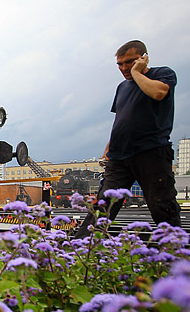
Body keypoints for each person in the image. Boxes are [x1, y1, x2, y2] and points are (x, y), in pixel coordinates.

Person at [74, 40, 181, 238]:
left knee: (161, 204)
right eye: (120, 64)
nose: (124, 68)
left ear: (143, 58)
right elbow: (121, 118)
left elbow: (158, 93)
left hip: (151, 152)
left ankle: (175, 253)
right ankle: (79, 252)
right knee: (103, 206)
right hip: (119, 156)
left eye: (129, 62)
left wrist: (137, 73)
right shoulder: (122, 87)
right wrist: (108, 148)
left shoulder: (162, 74)